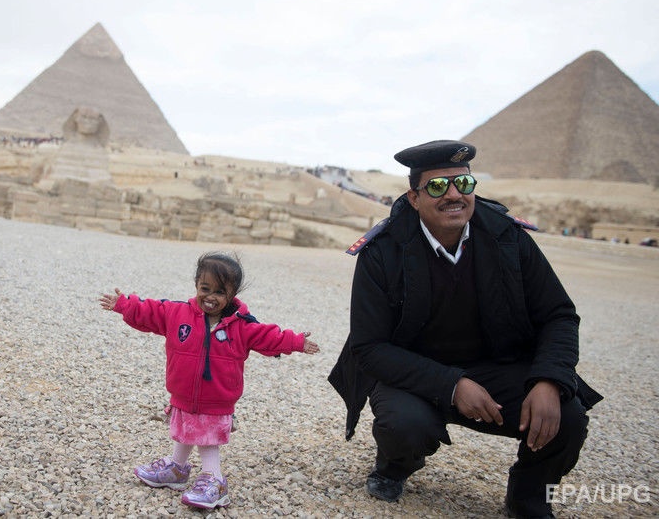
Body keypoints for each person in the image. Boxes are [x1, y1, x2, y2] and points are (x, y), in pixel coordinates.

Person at [328, 140, 602, 518]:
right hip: (413, 373)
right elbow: (370, 347)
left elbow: (559, 315)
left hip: (496, 367)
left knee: (567, 414)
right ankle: (395, 464)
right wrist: (452, 385)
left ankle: (528, 495)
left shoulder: (508, 238)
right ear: (414, 198)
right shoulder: (383, 251)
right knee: (404, 426)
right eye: (438, 186)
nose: (454, 195)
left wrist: (549, 379)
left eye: (464, 183)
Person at [100, 252, 320, 510]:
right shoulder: (177, 313)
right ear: (196, 285)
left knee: (206, 437)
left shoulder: (241, 326)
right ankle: (177, 468)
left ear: (232, 294)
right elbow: (150, 311)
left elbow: (268, 337)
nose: (211, 297)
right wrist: (124, 305)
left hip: (217, 399)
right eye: (205, 289)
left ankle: (215, 479)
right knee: (186, 428)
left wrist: (296, 342)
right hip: (183, 394)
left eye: (220, 292)